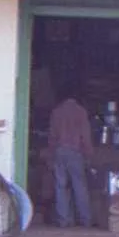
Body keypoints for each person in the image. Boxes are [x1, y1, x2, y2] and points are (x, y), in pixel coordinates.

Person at [48, 93, 94, 229]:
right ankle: (85, 220)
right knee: (79, 185)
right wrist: (89, 153)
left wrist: (51, 154)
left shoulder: (56, 112)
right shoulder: (81, 112)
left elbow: (52, 135)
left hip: (60, 151)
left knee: (60, 186)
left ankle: (63, 220)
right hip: (75, 152)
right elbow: (85, 135)